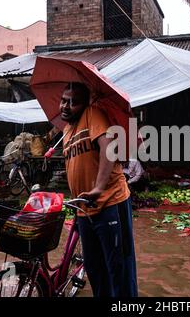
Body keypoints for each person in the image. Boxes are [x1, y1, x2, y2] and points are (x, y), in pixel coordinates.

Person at [60, 82, 137, 297]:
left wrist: (99, 187)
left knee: (119, 268)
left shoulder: (93, 115)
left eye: (73, 102)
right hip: (85, 210)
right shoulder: (66, 130)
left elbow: (109, 146)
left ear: (85, 104)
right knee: (95, 270)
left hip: (110, 202)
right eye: (64, 100)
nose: (66, 106)